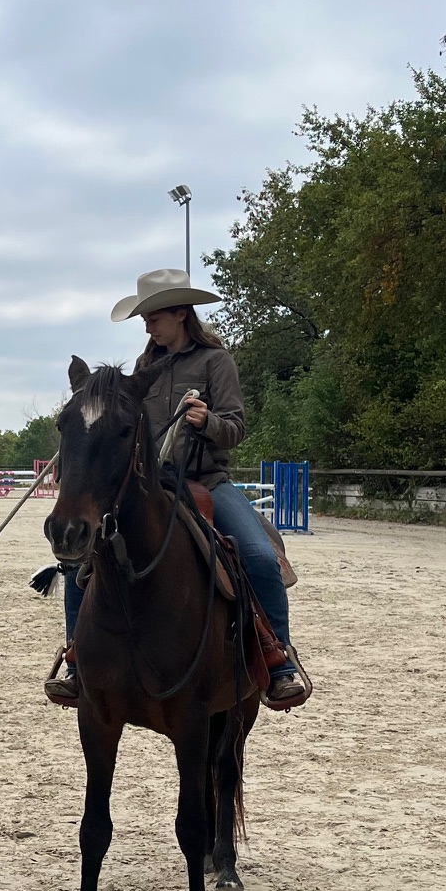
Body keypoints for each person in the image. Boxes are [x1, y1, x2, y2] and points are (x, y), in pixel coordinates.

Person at [46, 267, 309, 710]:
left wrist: (209, 422)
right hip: (154, 484)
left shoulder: (215, 362)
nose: (147, 326)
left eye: (153, 317)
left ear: (181, 314)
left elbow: (236, 426)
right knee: (82, 559)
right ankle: (77, 660)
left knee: (260, 556)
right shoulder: (144, 369)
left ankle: (277, 659)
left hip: (206, 481)